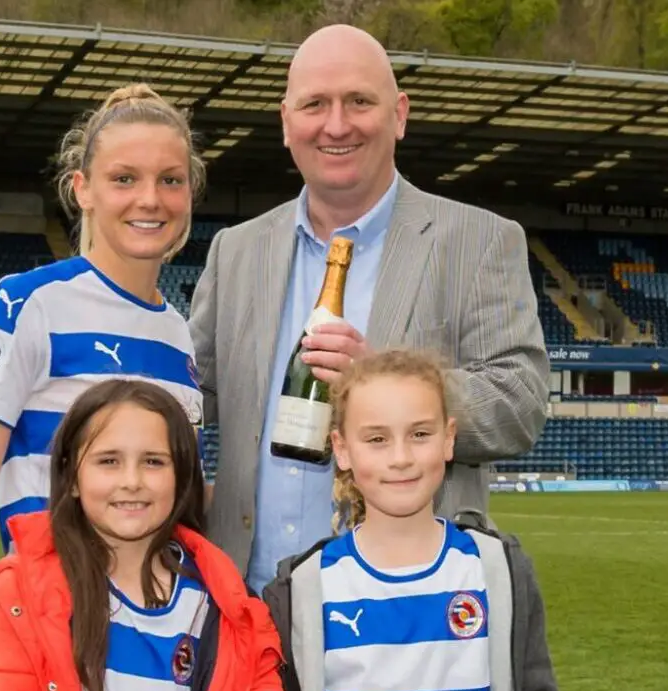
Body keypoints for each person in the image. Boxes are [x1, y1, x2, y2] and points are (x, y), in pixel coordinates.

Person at [187, 23, 550, 593]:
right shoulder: (235, 250)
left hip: (405, 607)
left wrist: (387, 382)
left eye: (359, 101)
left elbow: (521, 403)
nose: (336, 124)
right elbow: (191, 398)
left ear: (399, 114)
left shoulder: (479, 241)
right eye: (315, 105)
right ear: (287, 123)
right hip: (247, 606)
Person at [0, 83, 208, 691]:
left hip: (161, 648)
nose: (150, 199)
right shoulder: (27, 302)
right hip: (47, 636)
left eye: (170, 180)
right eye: (124, 178)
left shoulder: (181, 336)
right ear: (82, 188)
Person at [0, 378, 290, 691]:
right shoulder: (25, 592)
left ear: (180, 477)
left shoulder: (231, 609)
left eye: (153, 462)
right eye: (109, 462)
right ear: (72, 476)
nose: (132, 481)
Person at [260, 348, 561, 691]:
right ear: (342, 448)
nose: (401, 458)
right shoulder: (302, 589)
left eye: (420, 434)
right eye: (377, 439)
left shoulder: (498, 571)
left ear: (449, 439)